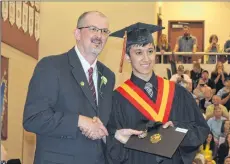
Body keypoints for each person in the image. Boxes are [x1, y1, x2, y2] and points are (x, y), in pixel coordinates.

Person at [106, 22, 209, 164]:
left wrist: (178, 128)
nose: (146, 59)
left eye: (150, 51)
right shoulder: (117, 99)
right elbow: (110, 146)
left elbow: (201, 130)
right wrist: (117, 138)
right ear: (127, 57)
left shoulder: (177, 93)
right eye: (138, 52)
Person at [23, 11, 115, 164]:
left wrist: (115, 135)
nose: (99, 35)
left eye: (104, 31)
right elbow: (33, 119)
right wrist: (79, 121)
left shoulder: (108, 76)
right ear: (77, 33)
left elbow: (102, 124)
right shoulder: (52, 66)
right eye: (93, 29)